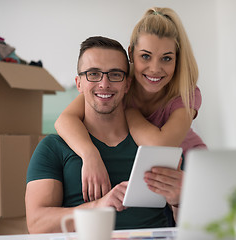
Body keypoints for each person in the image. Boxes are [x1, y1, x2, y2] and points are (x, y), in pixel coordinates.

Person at [25, 36, 183, 233]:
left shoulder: (155, 144)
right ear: (79, 83)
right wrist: (97, 207)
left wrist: (179, 201)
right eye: (93, 74)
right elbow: (37, 224)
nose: (104, 83)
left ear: (127, 84)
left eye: (115, 74)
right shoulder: (52, 148)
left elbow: (191, 224)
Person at [54, 7, 207, 203]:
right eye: (145, 56)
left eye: (166, 58)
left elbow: (161, 147)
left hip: (190, 167)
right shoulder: (118, 82)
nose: (155, 68)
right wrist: (90, 154)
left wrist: (130, 112)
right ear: (131, 53)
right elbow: (64, 120)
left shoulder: (185, 92)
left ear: (177, 59)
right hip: (152, 173)